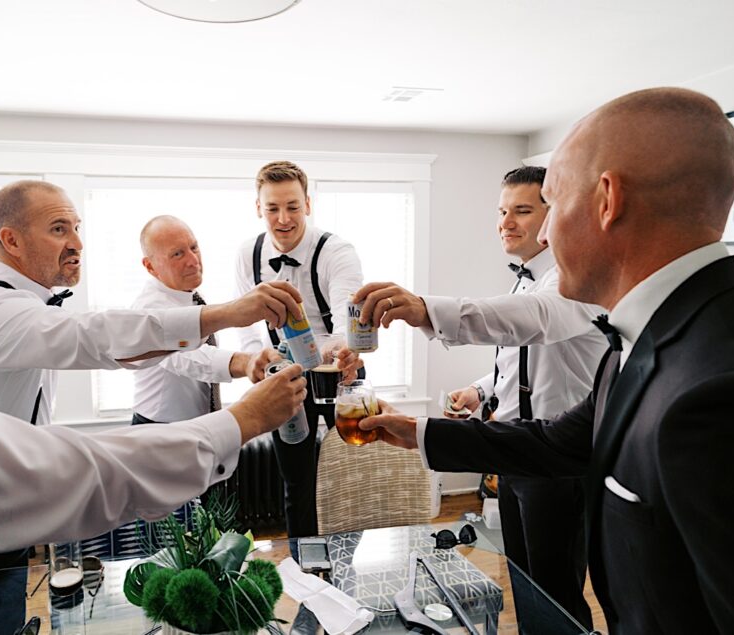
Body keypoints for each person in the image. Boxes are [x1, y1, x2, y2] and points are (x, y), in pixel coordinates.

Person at [0, 77, 306, 559]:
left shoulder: (24, 305)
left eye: (76, 226)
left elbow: (118, 350)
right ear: (11, 241)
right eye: (57, 229)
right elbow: (95, 338)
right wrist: (237, 370)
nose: (76, 242)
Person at [357, 87, 734, 634]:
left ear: (606, 200)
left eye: (554, 202)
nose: (545, 233)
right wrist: (418, 432)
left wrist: (424, 309)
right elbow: (559, 442)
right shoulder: (648, 336)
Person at [351, 166, 605, 627]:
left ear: (557, 217)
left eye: (522, 211)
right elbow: (520, 360)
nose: (506, 222)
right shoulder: (524, 280)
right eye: (502, 211)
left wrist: (427, 308)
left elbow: (538, 319)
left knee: (558, 591)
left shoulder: (577, 283)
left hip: (557, 463)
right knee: (524, 580)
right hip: (512, 453)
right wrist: (481, 389)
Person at [229, 160, 365, 538]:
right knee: (296, 481)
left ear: (308, 203)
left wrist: (339, 351)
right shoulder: (247, 254)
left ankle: (347, 566)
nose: (283, 218)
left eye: (292, 206)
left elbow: (346, 321)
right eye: (272, 208)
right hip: (286, 376)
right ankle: (307, 571)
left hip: (339, 370)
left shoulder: (336, 251)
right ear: (258, 208)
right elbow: (246, 325)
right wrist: (258, 359)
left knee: (352, 477)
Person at [129, 215, 282, 425]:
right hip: (158, 431)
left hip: (197, 427)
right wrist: (245, 362)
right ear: (150, 266)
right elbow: (185, 356)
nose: (193, 261)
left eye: (194, 247)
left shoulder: (189, 296)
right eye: (177, 254)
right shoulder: (148, 309)